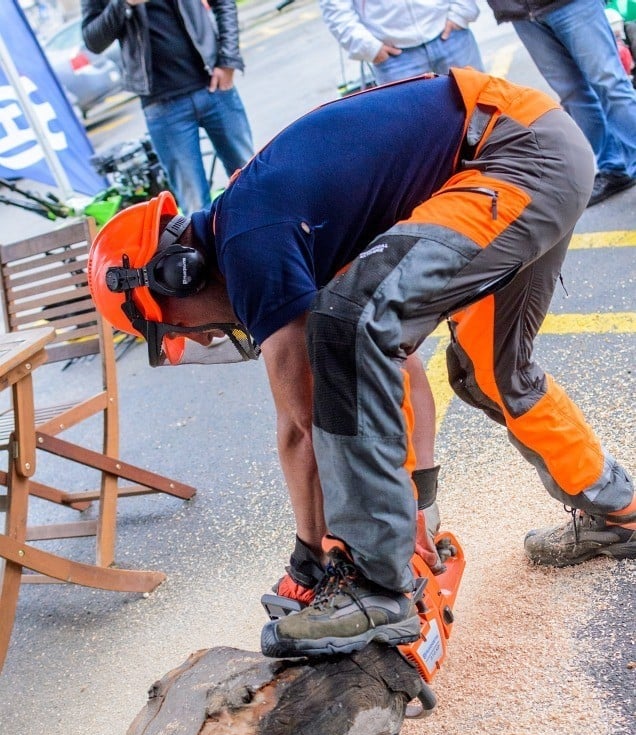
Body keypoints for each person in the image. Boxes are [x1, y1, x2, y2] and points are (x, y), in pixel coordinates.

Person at [87, 68, 636, 663]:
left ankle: (374, 585)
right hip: (533, 147)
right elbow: (398, 368)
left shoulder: (250, 244)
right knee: (491, 370)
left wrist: (310, 553)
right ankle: (619, 510)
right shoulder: (265, 224)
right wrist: (420, 512)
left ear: (176, 277)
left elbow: (302, 423)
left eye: (178, 327)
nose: (202, 336)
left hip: (511, 156)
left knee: (345, 325)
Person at [81, 0, 254, 215]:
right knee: (195, 209)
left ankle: (274, 245)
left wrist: (228, 58)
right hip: (162, 105)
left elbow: (224, 3)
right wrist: (122, 4)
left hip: (214, 86)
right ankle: (211, 249)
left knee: (251, 182)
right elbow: (92, 40)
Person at [485, 0, 636, 206]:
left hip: (572, 4)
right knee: (573, 95)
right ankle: (613, 167)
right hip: (521, 13)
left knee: (610, 84)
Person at [319, 0, 484, 83]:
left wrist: (461, 12)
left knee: (482, 114)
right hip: (395, 58)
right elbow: (334, 7)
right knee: (416, 132)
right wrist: (370, 48)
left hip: (452, 35)